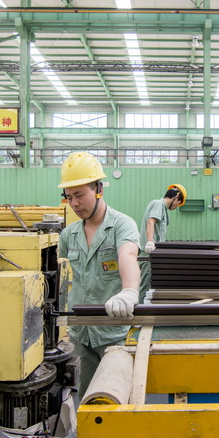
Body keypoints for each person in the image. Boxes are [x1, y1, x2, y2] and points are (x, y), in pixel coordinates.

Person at [57, 151, 140, 397]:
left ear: (99, 189)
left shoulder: (122, 225)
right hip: (81, 333)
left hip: (113, 332)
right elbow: (59, 274)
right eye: (69, 197)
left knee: (117, 398)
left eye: (80, 195)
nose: (74, 204)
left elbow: (128, 256)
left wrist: (129, 291)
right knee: (86, 400)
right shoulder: (68, 235)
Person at [138, 184, 187, 302]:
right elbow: (151, 222)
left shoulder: (163, 210)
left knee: (149, 285)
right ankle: (141, 313)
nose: (176, 207)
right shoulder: (159, 204)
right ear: (175, 198)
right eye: (178, 203)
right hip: (149, 254)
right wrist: (150, 241)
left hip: (154, 254)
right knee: (145, 285)